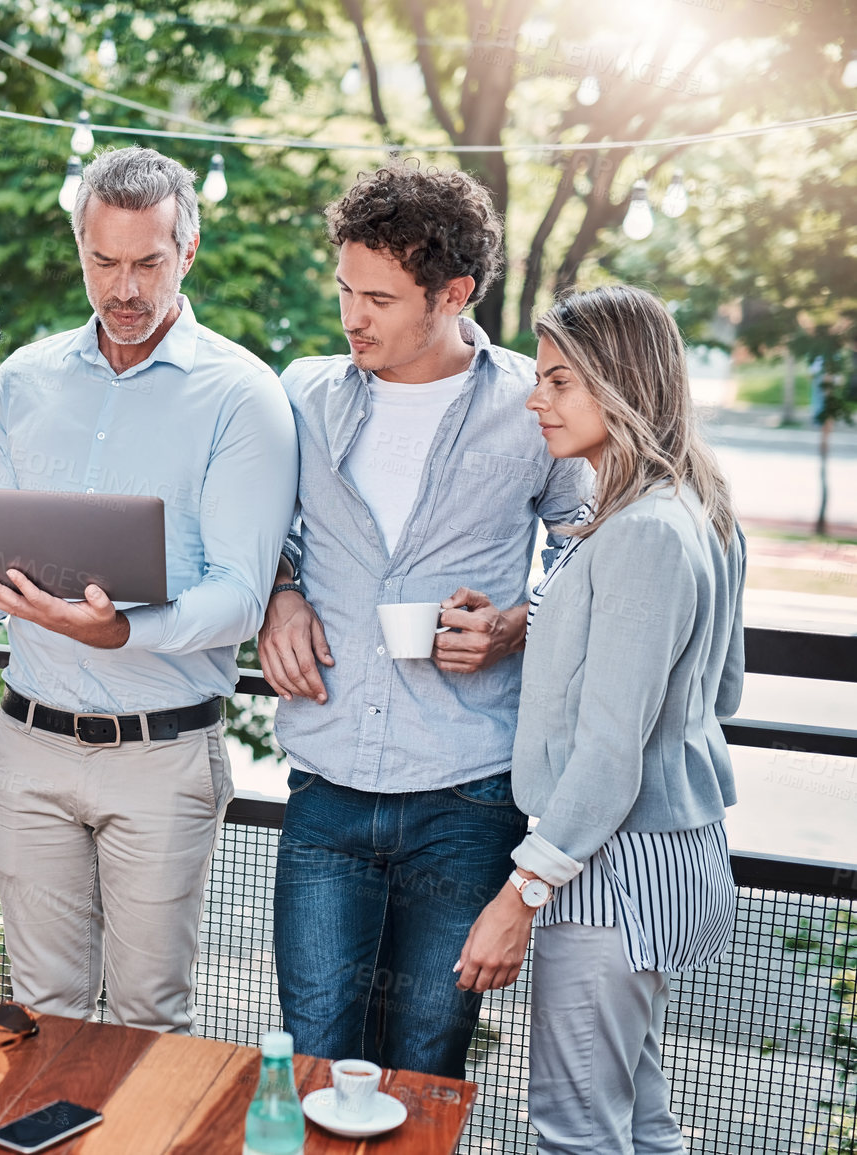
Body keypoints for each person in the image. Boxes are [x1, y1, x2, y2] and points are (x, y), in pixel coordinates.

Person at [0, 146, 299, 1035]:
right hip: (30, 745)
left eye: (147, 262)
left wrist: (122, 635)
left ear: (188, 252)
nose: (125, 288)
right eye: (104, 262)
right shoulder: (24, 380)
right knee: (41, 1016)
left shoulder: (240, 395)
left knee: (148, 1022)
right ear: (80, 251)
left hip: (161, 759)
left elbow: (242, 597)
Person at [259, 164, 591, 1079]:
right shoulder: (303, 394)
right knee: (315, 1054)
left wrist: (519, 621)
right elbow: (260, 531)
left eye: (378, 297)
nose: (350, 317)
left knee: (425, 1058)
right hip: (325, 785)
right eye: (343, 289)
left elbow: (590, 546)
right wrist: (280, 589)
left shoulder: (534, 405)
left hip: (468, 793)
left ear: (453, 293)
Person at [454, 285, 744, 1154]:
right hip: (671, 855)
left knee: (573, 1132)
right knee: (640, 1122)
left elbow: (610, 754)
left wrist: (519, 894)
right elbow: (717, 690)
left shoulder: (640, 532)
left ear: (622, 385)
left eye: (559, 381)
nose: (535, 399)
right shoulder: (700, 509)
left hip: (610, 870)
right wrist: (547, 625)